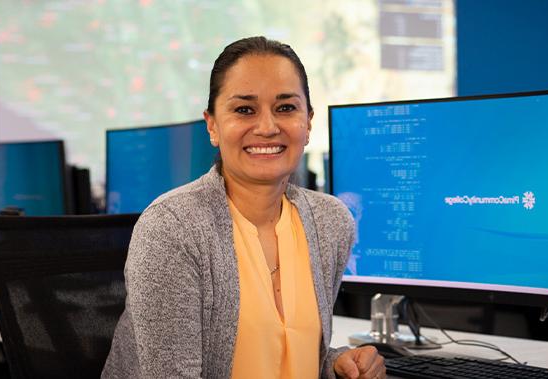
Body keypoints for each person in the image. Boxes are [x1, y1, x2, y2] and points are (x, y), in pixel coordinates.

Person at [103, 36, 384, 379]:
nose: (267, 127)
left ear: (307, 122)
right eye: (244, 110)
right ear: (212, 125)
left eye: (285, 108)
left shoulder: (330, 221)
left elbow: (283, 352)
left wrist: (335, 362)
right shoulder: (173, 228)